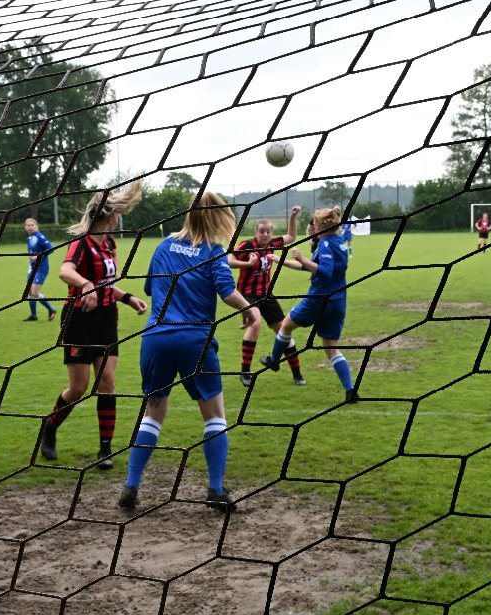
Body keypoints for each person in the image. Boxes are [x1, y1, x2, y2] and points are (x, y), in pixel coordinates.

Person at [120, 191, 259, 512]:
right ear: (219, 217)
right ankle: (215, 489)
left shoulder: (163, 246)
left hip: (155, 339)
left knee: (152, 414)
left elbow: (150, 288)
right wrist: (250, 309)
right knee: (215, 417)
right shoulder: (213, 251)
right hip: (194, 340)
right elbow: (227, 291)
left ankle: (131, 484)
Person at [40, 185, 149, 468]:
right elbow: (65, 271)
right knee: (78, 388)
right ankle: (49, 427)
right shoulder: (82, 242)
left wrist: (128, 298)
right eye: (117, 215)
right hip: (79, 320)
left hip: (106, 320)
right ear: (110, 217)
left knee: (107, 383)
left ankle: (105, 450)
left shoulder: (109, 244)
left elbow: (107, 284)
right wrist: (85, 284)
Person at [262, 206, 358, 403]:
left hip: (319, 300)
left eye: (315, 223)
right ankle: (350, 391)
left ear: (321, 225)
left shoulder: (325, 244)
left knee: (286, 325)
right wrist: (282, 261)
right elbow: (310, 268)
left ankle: (274, 360)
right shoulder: (339, 241)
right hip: (338, 301)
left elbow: (325, 271)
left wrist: (301, 257)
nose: (313, 227)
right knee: (331, 348)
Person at [230, 205, 305, 388]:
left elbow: (291, 236)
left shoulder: (273, 244)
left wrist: (292, 217)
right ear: (256, 232)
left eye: (268, 231)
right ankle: (245, 372)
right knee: (255, 324)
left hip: (267, 295)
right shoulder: (247, 246)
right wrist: (248, 264)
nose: (265, 234)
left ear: (271, 233)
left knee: (284, 330)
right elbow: (229, 260)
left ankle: (297, 374)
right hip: (247, 294)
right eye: (261, 231)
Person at [22, 218, 58, 322]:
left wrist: (39, 256)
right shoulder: (29, 238)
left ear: (36, 226)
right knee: (30, 292)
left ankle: (51, 309)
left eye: (32, 225)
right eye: (28, 225)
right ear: (25, 227)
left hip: (41, 268)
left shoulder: (40, 237)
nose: (30, 227)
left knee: (34, 292)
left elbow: (50, 249)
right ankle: (34, 316)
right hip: (32, 268)